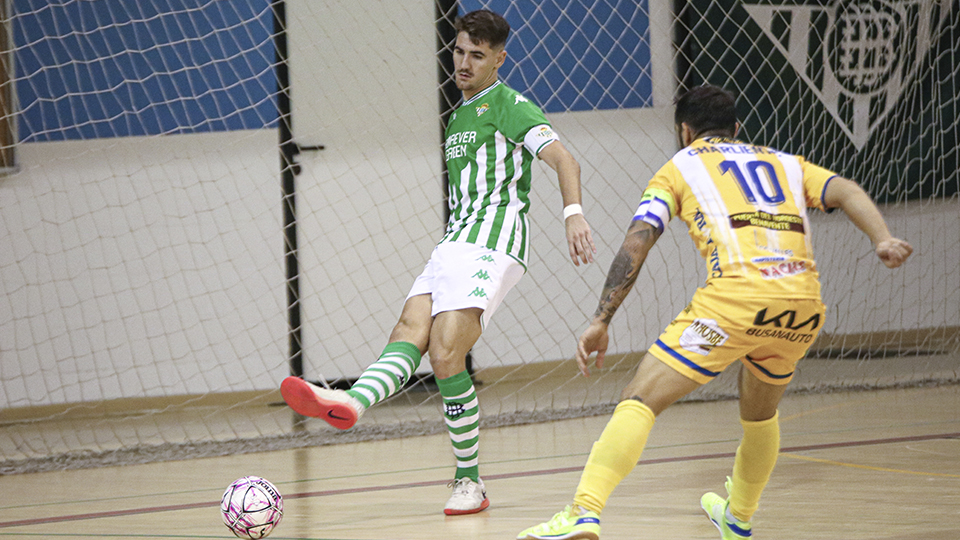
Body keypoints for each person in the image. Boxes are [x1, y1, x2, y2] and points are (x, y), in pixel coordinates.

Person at [517, 84, 912, 540]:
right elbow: (845, 190)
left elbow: (637, 241)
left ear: (685, 131)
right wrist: (881, 237)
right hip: (802, 306)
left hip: (734, 303)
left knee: (640, 398)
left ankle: (583, 512)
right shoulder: (785, 163)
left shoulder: (678, 167)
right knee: (761, 413)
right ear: (737, 128)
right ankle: (738, 517)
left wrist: (601, 319)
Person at [280, 9, 595, 516]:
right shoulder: (459, 114)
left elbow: (563, 158)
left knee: (446, 352)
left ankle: (469, 482)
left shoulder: (509, 105)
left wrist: (573, 214)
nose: (464, 63)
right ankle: (349, 404)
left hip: (494, 240)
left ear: (498, 59)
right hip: (454, 242)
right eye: (458, 51)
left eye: (477, 55)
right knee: (409, 330)